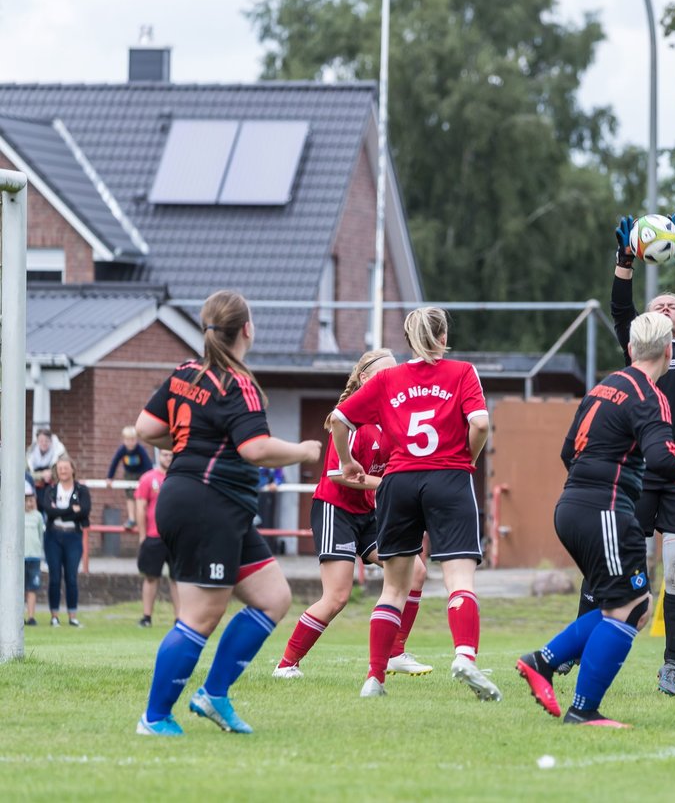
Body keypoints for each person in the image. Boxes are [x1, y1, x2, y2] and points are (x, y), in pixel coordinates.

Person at [515, 312, 675, 726]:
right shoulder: (649, 397)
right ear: (669, 350)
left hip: (573, 508)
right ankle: (581, 708)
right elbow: (664, 458)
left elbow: (569, 452)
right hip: (603, 511)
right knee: (631, 605)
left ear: (633, 348)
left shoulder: (603, 387)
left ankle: (543, 663)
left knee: (630, 604)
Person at [133, 289, 321, 736]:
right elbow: (255, 448)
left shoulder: (186, 374)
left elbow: (145, 429)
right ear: (247, 330)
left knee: (274, 597)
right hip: (207, 504)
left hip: (213, 504)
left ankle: (213, 695)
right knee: (200, 616)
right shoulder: (239, 385)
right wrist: (304, 450)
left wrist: (185, 442)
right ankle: (154, 718)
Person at [330, 307, 499, 701]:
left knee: (393, 588)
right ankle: (465, 656)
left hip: (398, 481)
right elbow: (480, 424)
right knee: (459, 579)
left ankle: (374, 678)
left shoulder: (389, 378)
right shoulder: (462, 372)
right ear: (443, 337)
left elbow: (339, 418)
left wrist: (346, 460)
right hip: (448, 478)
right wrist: (467, 460)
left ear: (408, 340)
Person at [587, 212, 675, 697]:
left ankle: (671, 667)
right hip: (640, 470)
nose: (664, 308)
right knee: (626, 573)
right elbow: (621, 308)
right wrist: (624, 262)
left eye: (672, 306)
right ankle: (584, 650)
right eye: (657, 304)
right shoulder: (638, 349)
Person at [274, 349, 432, 680]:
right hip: (336, 510)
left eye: (396, 373)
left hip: (368, 513)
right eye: (384, 373)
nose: (393, 379)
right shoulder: (349, 419)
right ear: (365, 379)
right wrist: (388, 483)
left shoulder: (395, 419)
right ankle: (286, 664)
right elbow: (338, 475)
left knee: (415, 571)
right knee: (337, 597)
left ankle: (396, 653)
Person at [41, 455, 90, 628]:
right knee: (54, 577)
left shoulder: (81, 490)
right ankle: (54, 616)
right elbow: (49, 511)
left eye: (66, 467)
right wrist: (70, 509)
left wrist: (60, 511)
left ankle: (72, 616)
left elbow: (84, 511)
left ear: (72, 469)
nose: (63, 471)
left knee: (71, 576)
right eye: (60, 468)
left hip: (73, 536)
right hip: (53, 536)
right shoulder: (51, 491)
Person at [134, 448, 177, 627]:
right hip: (153, 536)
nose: (167, 458)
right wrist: (143, 536)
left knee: (177, 578)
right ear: (159, 456)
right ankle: (147, 617)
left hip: (176, 538)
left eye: (171, 455)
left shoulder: (179, 478)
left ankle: (180, 619)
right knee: (151, 577)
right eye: (165, 454)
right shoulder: (148, 478)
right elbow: (140, 507)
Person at [107, 425, 153, 531]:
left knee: (140, 497)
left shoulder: (140, 449)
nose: (130, 443)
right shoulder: (122, 450)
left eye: (133, 440)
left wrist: (149, 477)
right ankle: (132, 519)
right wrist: (110, 477)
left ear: (136, 440)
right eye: (128, 440)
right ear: (124, 440)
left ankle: (142, 519)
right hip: (129, 474)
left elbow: (148, 464)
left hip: (141, 474)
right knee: (130, 496)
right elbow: (114, 463)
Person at [23, 479, 44, 627]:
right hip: (21, 557)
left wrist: (39, 552)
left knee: (32, 588)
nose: (29, 503)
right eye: (26, 500)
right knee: (19, 588)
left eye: (31, 500)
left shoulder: (37, 516)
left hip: (34, 557)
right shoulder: (17, 516)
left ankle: (31, 616)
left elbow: (40, 536)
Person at [26, 427, 65, 492]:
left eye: (46, 440)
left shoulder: (59, 452)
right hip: (34, 487)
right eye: (41, 441)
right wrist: (41, 475)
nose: (44, 443)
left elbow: (64, 470)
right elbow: (25, 474)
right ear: (37, 441)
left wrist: (51, 474)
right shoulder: (30, 453)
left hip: (53, 486)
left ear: (51, 441)